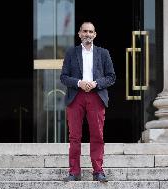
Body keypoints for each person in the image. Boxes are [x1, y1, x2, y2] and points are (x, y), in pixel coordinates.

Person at [60, 21, 116, 182]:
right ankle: (74, 172)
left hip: (96, 96)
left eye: (90, 32)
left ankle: (98, 171)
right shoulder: (71, 53)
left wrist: (96, 83)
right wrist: (79, 82)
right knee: (74, 136)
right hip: (76, 96)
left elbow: (111, 77)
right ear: (79, 34)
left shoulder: (103, 53)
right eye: (84, 31)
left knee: (97, 135)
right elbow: (63, 77)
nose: (87, 34)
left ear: (95, 35)